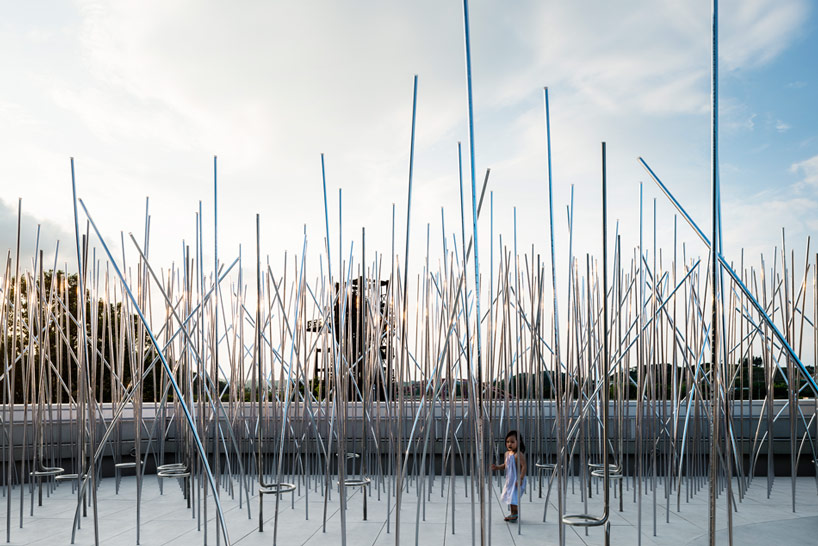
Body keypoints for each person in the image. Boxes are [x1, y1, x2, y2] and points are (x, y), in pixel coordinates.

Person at [490, 430, 527, 522]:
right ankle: (513, 513)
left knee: (513, 496)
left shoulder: (518, 455)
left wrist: (521, 478)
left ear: (519, 442)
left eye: (512, 442)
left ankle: (515, 513)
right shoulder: (507, 454)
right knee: (510, 496)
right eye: (507, 442)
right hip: (510, 479)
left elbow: (524, 466)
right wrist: (497, 467)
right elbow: (506, 465)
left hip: (517, 479)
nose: (509, 444)